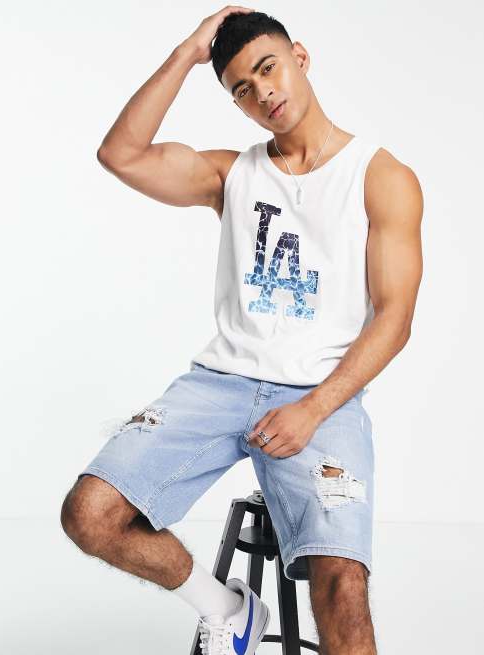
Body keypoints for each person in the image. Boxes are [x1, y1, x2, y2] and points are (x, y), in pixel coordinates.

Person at [60, 6, 423, 654]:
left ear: (300, 57)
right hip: (218, 383)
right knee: (90, 514)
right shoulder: (232, 174)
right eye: (242, 90)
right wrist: (187, 53)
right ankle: (228, 609)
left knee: (343, 586)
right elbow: (121, 154)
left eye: (269, 68)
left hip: (320, 394)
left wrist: (313, 409)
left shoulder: (379, 177)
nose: (264, 94)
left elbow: (394, 318)